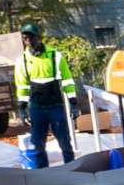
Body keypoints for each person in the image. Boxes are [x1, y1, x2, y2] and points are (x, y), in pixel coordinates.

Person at [14, 24, 78, 167]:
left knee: (65, 143)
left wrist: (73, 103)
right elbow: (22, 86)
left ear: (39, 37)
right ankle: (43, 175)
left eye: (31, 37)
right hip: (37, 108)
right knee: (38, 145)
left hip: (56, 106)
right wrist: (22, 109)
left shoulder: (55, 55)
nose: (28, 40)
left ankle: (71, 170)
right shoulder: (22, 61)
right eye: (25, 38)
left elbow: (68, 81)